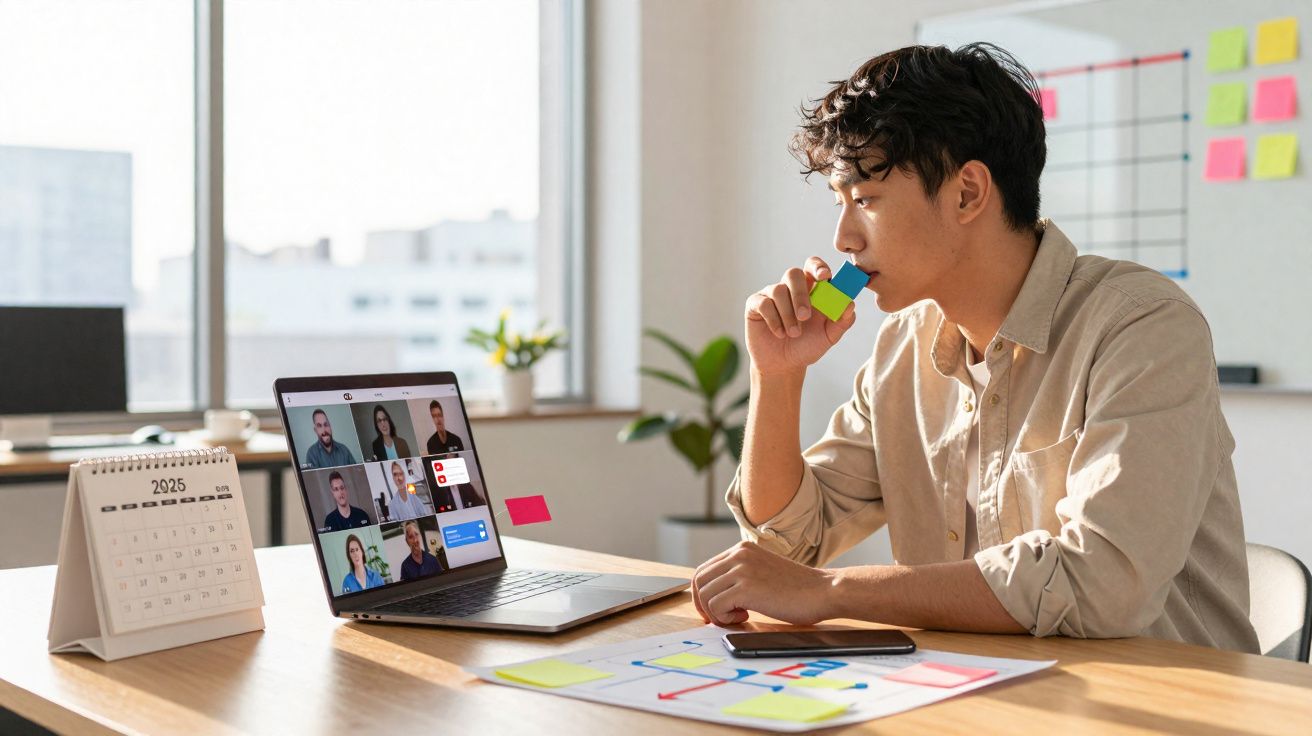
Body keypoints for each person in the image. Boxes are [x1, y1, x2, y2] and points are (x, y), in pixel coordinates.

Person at [693, 43, 1259, 654]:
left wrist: (832, 591)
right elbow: (787, 546)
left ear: (967, 193)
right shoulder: (901, 350)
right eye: (839, 203)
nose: (843, 238)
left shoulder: (1142, 325)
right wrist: (778, 375)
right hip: (977, 694)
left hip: (1168, 705)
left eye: (866, 200)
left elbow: (1101, 583)